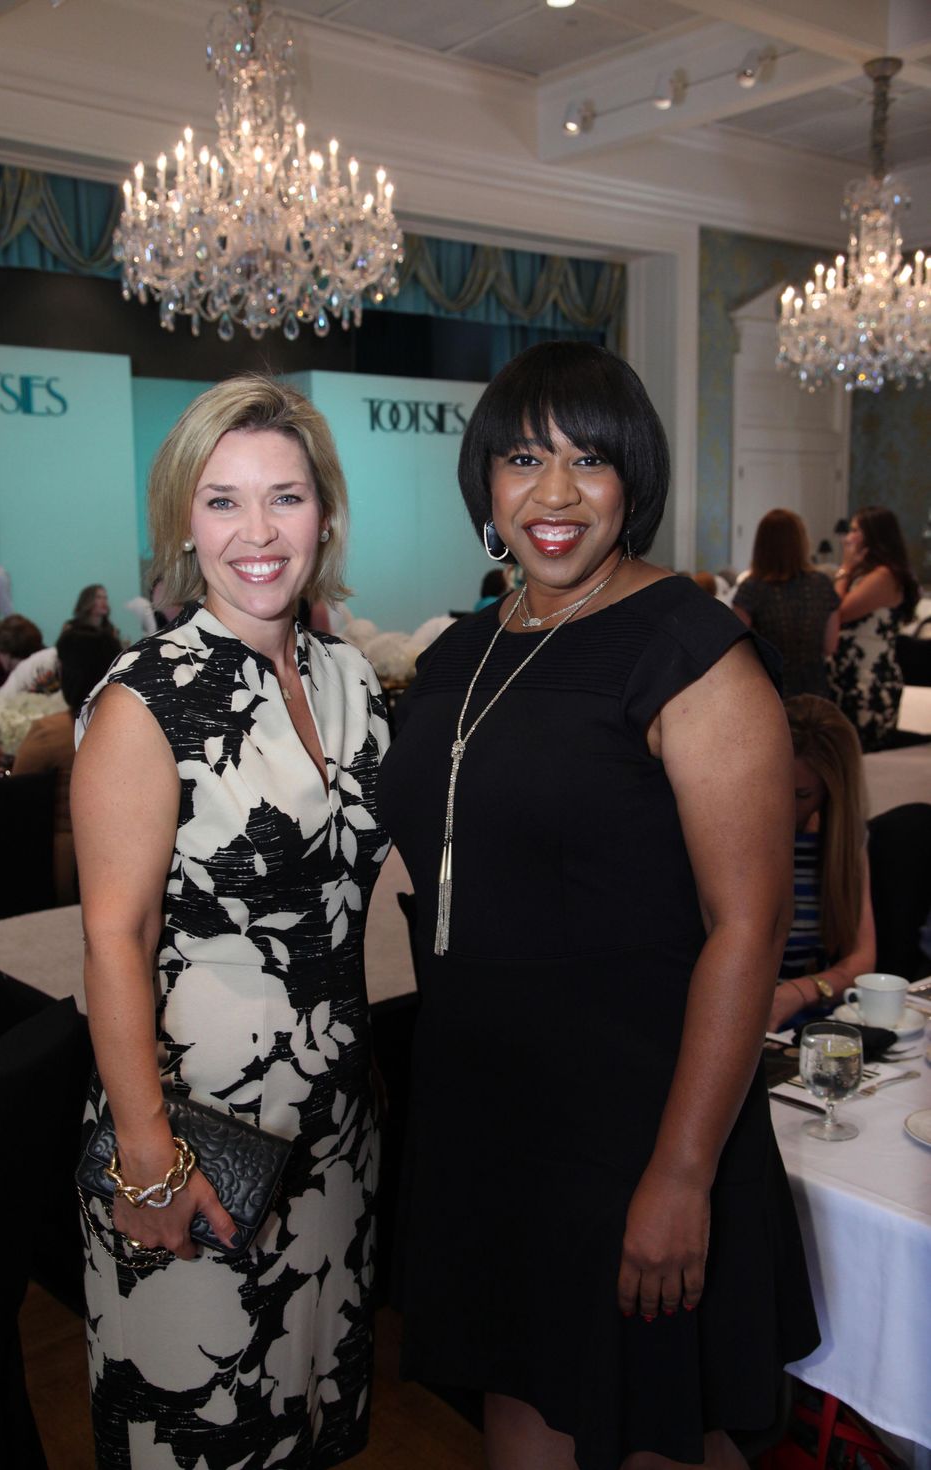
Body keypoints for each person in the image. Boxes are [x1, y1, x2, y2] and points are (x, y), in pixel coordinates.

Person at [377, 341, 818, 1470]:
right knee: (520, 1408)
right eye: (524, 458)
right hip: (483, 1117)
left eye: (589, 459)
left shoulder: (688, 648)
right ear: (485, 482)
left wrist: (677, 1175)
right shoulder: (460, 651)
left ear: (635, 481)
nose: (556, 492)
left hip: (637, 1123)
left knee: (653, 1428)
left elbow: (746, 928)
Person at [70, 375, 390, 1470]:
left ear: (325, 513)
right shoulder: (142, 700)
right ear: (182, 524)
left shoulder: (351, 681)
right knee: (204, 1431)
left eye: (285, 497)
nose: (257, 532)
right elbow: (111, 940)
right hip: (199, 1146)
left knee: (306, 1425)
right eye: (222, 501)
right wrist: (149, 1160)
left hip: (335, 1134)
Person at [768, 695, 876, 1032]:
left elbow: (862, 958)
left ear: (830, 792)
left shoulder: (843, 840)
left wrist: (800, 992)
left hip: (805, 1021)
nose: (783, 804)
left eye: (801, 795)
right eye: (774, 784)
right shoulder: (734, 835)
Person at [13, 626, 121, 903]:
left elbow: (14, 799)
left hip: (63, 865)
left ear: (66, 673)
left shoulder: (49, 734)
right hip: (125, 857)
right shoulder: (133, 726)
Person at [829, 505, 920, 750]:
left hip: (868, 679)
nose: (848, 536)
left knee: (859, 751)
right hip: (849, 674)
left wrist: (844, 570)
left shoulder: (884, 576)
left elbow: (838, 612)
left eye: (855, 529)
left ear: (873, 534)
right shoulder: (867, 573)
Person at [732, 509, 840, 698]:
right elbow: (830, 645)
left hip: (769, 691)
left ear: (761, 545)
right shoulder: (822, 584)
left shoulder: (752, 589)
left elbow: (736, 651)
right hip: (815, 690)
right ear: (802, 542)